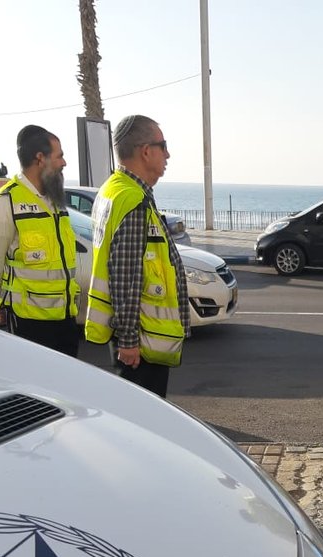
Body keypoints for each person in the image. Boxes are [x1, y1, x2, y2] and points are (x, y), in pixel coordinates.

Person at [83, 115, 190, 399]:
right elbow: (125, 276)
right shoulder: (132, 200)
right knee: (145, 417)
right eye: (163, 146)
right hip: (140, 343)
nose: (168, 154)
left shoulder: (113, 190)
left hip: (135, 337)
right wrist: (129, 341)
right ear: (145, 151)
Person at [0, 124, 80, 356]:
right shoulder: (8, 201)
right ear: (40, 158)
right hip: (29, 324)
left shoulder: (54, 200)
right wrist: (0, 302)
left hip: (65, 319)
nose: (64, 163)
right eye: (60, 156)